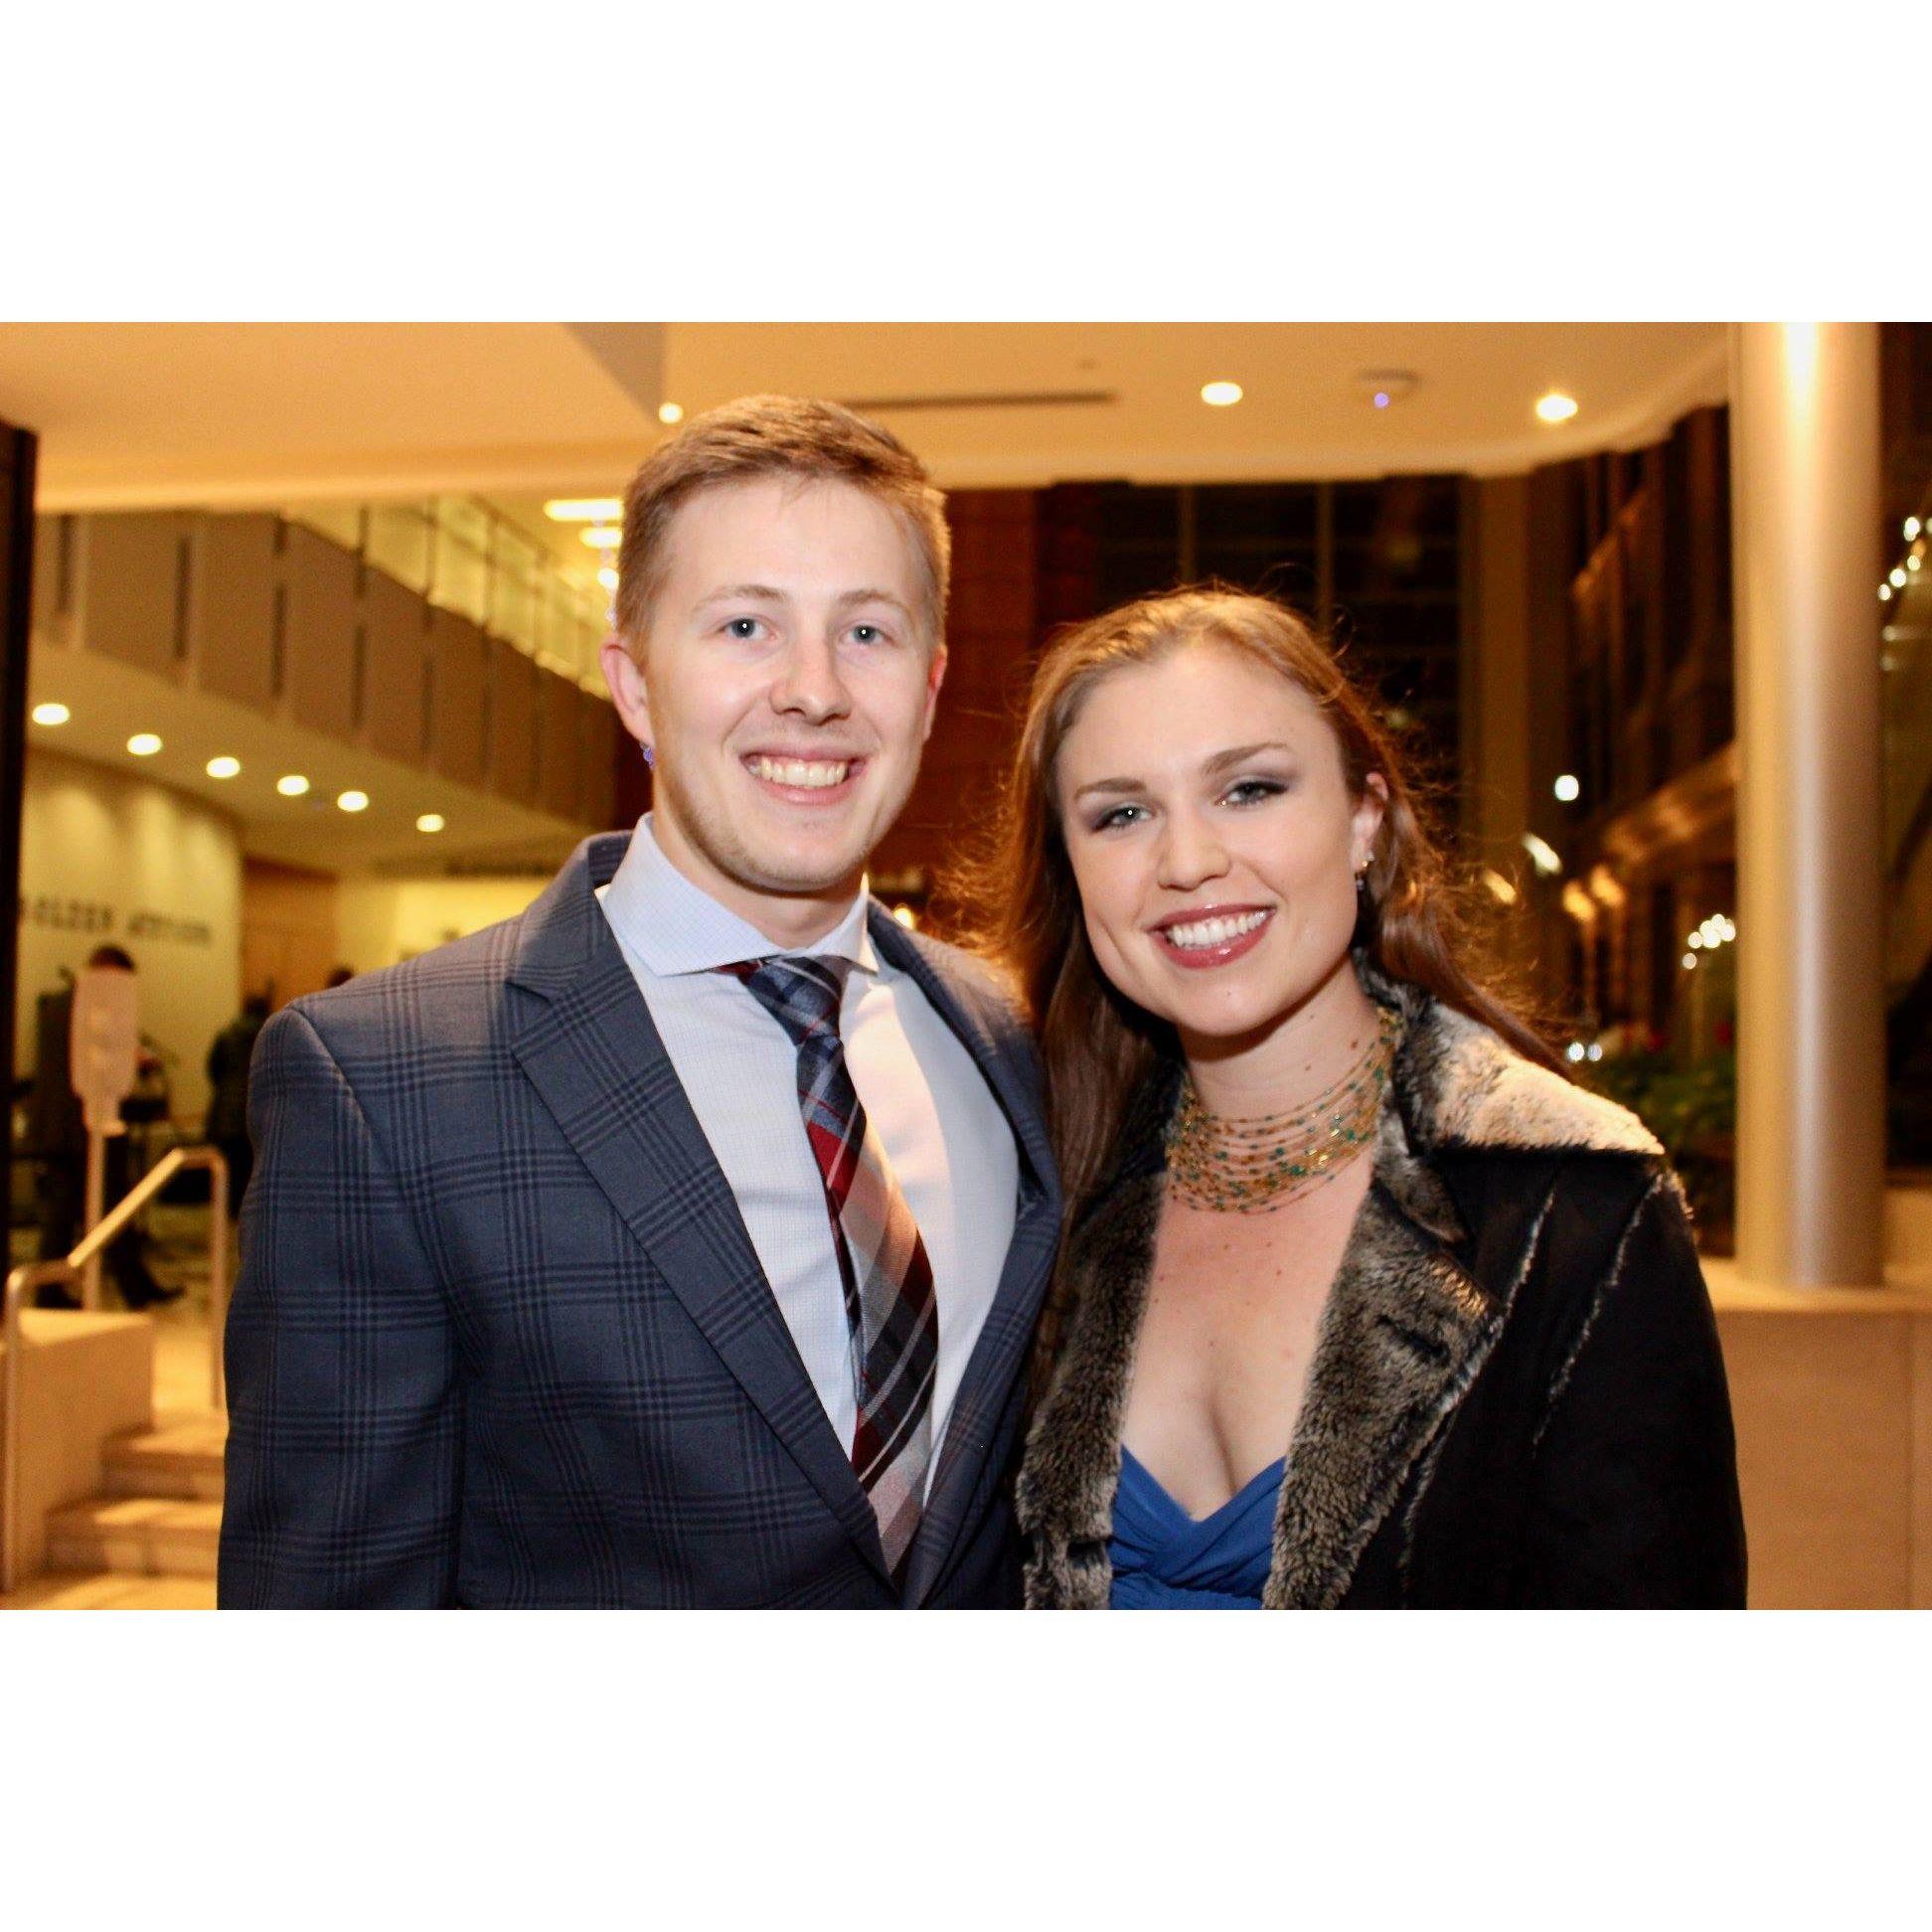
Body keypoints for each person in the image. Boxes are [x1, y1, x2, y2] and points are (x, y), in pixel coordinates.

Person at [219, 396, 1058, 1609]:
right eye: (744, 626)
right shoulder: (381, 1083)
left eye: (867, 632)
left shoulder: (1013, 1043)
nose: (814, 690)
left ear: (930, 689)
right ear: (634, 684)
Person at [976, 589, 1745, 1608]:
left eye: (1249, 789)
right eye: (1122, 814)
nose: (1190, 861)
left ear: (1365, 821)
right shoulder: (1047, 1179)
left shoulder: (1570, 1201)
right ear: (1072, 874)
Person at [24, 945, 179, 1311]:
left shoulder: (58, 1003)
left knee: (66, 1214)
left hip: (57, 1126)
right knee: (107, 1208)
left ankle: (61, 1289)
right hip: (84, 1126)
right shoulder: (94, 1008)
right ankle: (125, 1286)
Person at [204, 993, 269, 1214]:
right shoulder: (270, 1034)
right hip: (259, 1110)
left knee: (228, 1168)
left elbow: (213, 1068)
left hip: (227, 1112)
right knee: (252, 1169)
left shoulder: (227, 1033)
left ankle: (227, 1213)